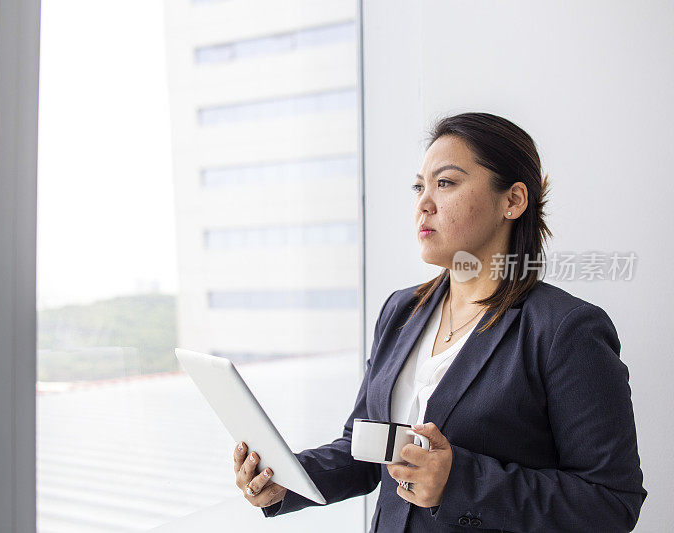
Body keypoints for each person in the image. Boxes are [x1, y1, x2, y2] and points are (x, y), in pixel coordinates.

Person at [231, 112, 647, 532]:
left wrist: (458, 481)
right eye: (419, 186)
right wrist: (284, 480)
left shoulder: (564, 330)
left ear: (513, 201)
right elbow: (364, 450)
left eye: (445, 183)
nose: (423, 204)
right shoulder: (401, 310)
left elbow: (612, 503)